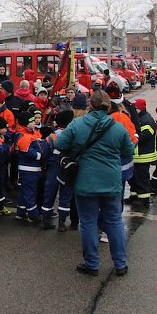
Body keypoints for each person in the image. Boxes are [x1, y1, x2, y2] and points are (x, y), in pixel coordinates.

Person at [55, 90, 134, 277]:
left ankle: (92, 264)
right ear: (109, 105)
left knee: (88, 222)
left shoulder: (77, 124)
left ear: (90, 104)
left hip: (85, 181)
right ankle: (121, 264)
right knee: (114, 221)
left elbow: (59, 144)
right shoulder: (118, 127)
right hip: (112, 182)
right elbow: (129, 151)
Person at [40, 110, 74, 231]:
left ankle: (45, 219)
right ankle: (62, 222)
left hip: (53, 166)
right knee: (66, 194)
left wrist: (44, 165)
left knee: (49, 193)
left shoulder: (52, 136)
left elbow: (44, 152)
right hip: (68, 167)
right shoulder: (73, 134)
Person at [126, 98, 157, 211]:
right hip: (136, 156)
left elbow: (144, 136)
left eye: (135, 109)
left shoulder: (147, 120)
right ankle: (134, 195)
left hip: (143, 156)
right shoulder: (138, 118)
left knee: (142, 178)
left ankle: (144, 199)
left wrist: (132, 135)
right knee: (133, 178)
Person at [13, 111, 43, 224]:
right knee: (30, 192)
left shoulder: (27, 134)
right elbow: (27, 151)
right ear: (26, 123)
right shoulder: (25, 136)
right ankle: (33, 214)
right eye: (31, 121)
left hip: (28, 169)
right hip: (29, 169)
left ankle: (21, 212)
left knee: (24, 191)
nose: (34, 122)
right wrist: (39, 156)